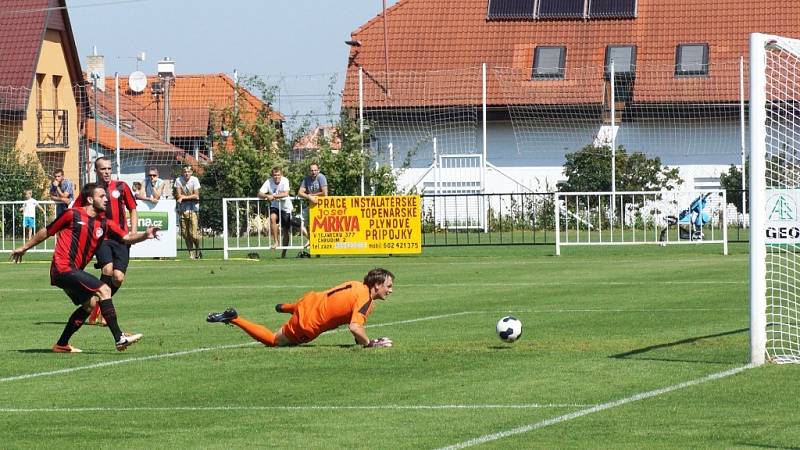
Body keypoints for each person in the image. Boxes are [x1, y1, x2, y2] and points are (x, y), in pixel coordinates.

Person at [10, 182, 159, 353]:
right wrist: (24, 247)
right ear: (90, 199)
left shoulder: (104, 223)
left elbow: (126, 237)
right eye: (102, 196)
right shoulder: (72, 215)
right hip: (62, 268)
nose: (106, 199)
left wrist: (145, 235)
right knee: (104, 289)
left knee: (90, 303)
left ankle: (62, 344)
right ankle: (119, 338)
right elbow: (48, 231)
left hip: (73, 271)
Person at [206, 268, 395, 348]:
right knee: (274, 340)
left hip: (309, 300)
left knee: (303, 306)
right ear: (377, 285)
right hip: (308, 323)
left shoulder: (356, 285)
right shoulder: (366, 301)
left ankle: (284, 307)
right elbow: (354, 327)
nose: (391, 290)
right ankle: (234, 318)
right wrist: (369, 343)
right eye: (388, 286)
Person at [76, 157, 138, 326]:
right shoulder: (90, 191)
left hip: (121, 238)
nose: (107, 172)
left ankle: (99, 303)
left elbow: (133, 208)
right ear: (95, 171)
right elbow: (76, 210)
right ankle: (105, 308)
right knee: (108, 269)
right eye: (103, 169)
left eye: (109, 168)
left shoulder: (121, 187)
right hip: (101, 237)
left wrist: (133, 232)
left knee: (118, 278)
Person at [257, 166, 293, 250]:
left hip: (286, 208)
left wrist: (273, 196)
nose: (276, 177)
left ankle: (284, 252)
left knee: (286, 231)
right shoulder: (268, 181)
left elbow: (286, 193)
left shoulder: (285, 180)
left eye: (278, 175)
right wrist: (267, 196)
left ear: (281, 175)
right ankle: (276, 241)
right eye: (275, 175)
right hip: (275, 206)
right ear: (272, 175)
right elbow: (259, 194)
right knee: (272, 218)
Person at [296, 162, 328, 257]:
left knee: (318, 228)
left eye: (315, 170)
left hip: (321, 206)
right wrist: (309, 197)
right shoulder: (306, 179)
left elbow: (325, 193)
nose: (313, 172)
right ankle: (311, 240)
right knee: (299, 222)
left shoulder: (321, 177)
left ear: (318, 170)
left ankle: (318, 251)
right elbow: (300, 192)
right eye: (312, 170)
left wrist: (312, 195)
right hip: (310, 206)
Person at [174, 165, 201, 259]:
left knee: (193, 234)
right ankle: (191, 253)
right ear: (182, 172)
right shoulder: (178, 180)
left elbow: (196, 195)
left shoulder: (195, 180)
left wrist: (183, 197)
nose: (186, 173)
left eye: (188, 171)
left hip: (194, 209)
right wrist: (182, 197)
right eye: (185, 171)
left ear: (191, 172)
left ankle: (198, 248)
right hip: (182, 209)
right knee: (185, 234)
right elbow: (178, 195)